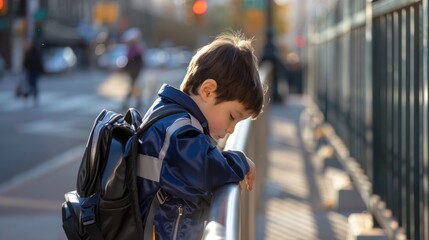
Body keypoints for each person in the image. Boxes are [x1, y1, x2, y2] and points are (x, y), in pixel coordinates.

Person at [137, 31, 265, 239]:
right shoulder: (177, 131)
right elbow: (208, 169)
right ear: (207, 91)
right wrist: (240, 161)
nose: (232, 129)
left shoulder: (173, 119)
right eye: (232, 116)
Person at [122, 28, 144, 109]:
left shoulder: (134, 49)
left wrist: (125, 69)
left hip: (134, 71)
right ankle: (138, 102)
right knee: (134, 87)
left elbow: (130, 62)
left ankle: (127, 103)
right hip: (134, 72)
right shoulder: (135, 49)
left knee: (133, 87)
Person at [22, 39, 44, 106]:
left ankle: (34, 98)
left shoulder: (35, 52)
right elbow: (25, 62)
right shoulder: (28, 52)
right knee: (29, 85)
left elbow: (39, 62)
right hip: (29, 72)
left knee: (34, 85)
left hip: (35, 71)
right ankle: (27, 97)